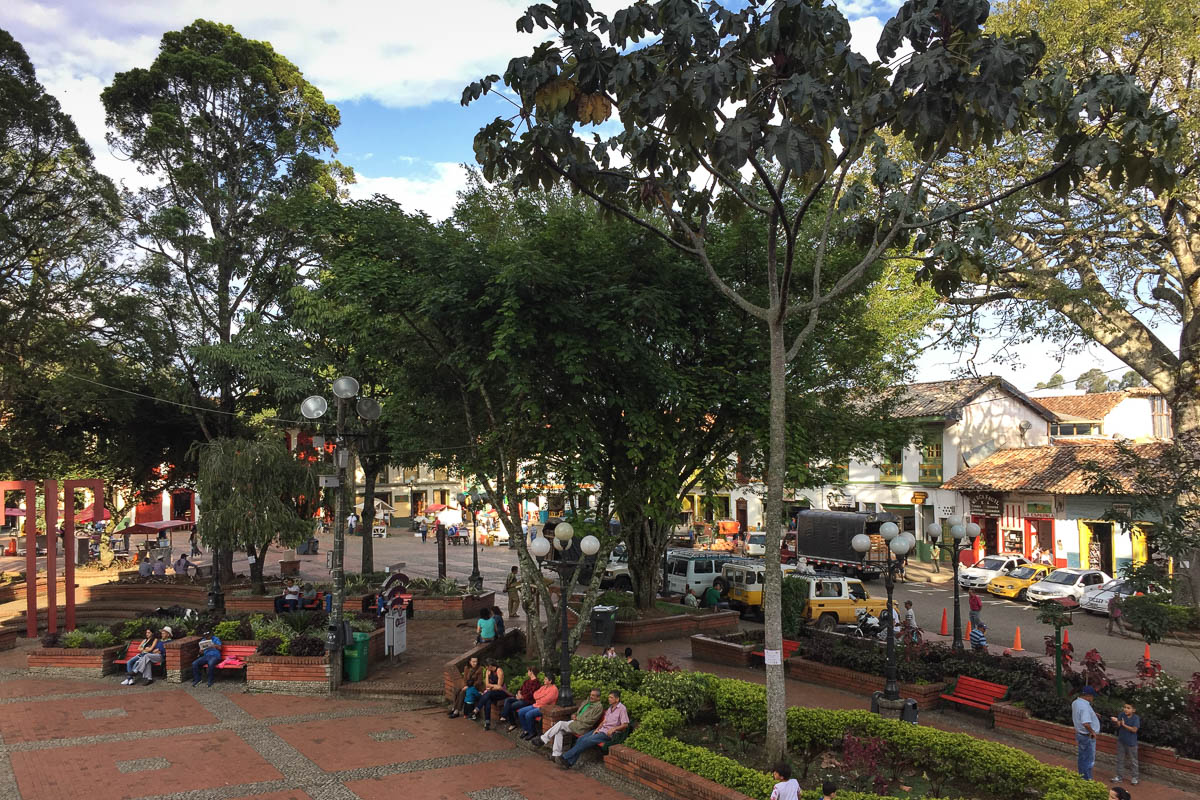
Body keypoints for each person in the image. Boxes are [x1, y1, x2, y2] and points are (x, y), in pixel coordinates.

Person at [558, 690, 630, 768]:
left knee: (586, 741)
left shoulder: (622, 709)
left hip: (608, 734)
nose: (609, 699)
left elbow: (625, 725)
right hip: (601, 730)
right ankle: (569, 763)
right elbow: (604, 721)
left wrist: (614, 729)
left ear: (617, 699)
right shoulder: (610, 708)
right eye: (609, 697)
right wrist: (598, 728)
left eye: (611, 697)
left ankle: (565, 757)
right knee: (580, 739)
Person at [535, 688, 605, 758]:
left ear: (598, 697)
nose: (591, 697)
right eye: (590, 695)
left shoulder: (598, 707)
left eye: (593, 695)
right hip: (575, 722)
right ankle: (556, 755)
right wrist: (574, 715)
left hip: (582, 727)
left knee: (560, 724)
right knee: (559, 731)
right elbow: (578, 712)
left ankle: (543, 739)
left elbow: (591, 720)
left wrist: (577, 718)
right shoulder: (586, 702)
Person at [1072, 686, 1101, 779]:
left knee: (1082, 758)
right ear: (1087, 696)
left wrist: (1092, 714)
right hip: (1087, 736)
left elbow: (1080, 714)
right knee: (1088, 760)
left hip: (1080, 734)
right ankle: (1087, 780)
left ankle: (1082, 777)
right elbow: (1086, 723)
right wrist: (1092, 732)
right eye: (1092, 696)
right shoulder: (1084, 706)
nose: (1093, 698)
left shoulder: (1076, 702)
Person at [518, 674, 559, 739]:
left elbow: (546, 701)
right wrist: (540, 697)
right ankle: (526, 730)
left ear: (550, 681)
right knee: (521, 712)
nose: (544, 680)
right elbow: (535, 694)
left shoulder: (554, 689)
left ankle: (532, 732)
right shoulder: (543, 687)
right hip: (536, 705)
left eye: (545, 679)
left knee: (528, 715)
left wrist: (538, 698)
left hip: (544, 708)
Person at [1111, 701, 1141, 784]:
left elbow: (1134, 730)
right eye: (1125, 707)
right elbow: (1118, 725)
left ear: (1133, 710)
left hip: (1131, 743)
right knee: (1120, 760)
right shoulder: (1121, 715)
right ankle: (1119, 776)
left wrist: (1124, 725)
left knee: (1133, 761)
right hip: (1121, 741)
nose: (1126, 709)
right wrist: (1117, 721)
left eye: (1128, 708)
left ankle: (1135, 778)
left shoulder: (1136, 718)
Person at [476, 659, 508, 729]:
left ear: (490, 666)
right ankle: (487, 722)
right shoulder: (488, 671)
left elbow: (499, 687)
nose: (486, 668)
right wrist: (492, 686)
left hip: (502, 692)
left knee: (488, 693)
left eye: (486, 667)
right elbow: (487, 685)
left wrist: (490, 687)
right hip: (492, 692)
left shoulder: (499, 671)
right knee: (488, 700)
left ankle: (477, 708)